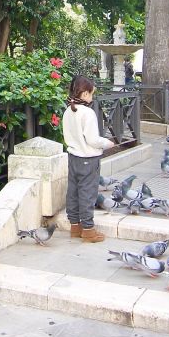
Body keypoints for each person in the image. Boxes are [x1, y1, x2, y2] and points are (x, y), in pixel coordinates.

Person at [62, 75, 114, 243]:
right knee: (87, 193)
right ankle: (88, 230)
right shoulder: (87, 113)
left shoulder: (68, 110)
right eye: (91, 94)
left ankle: (75, 227)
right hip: (88, 159)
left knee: (73, 191)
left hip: (73, 157)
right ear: (84, 94)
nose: (92, 97)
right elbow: (92, 140)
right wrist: (107, 143)